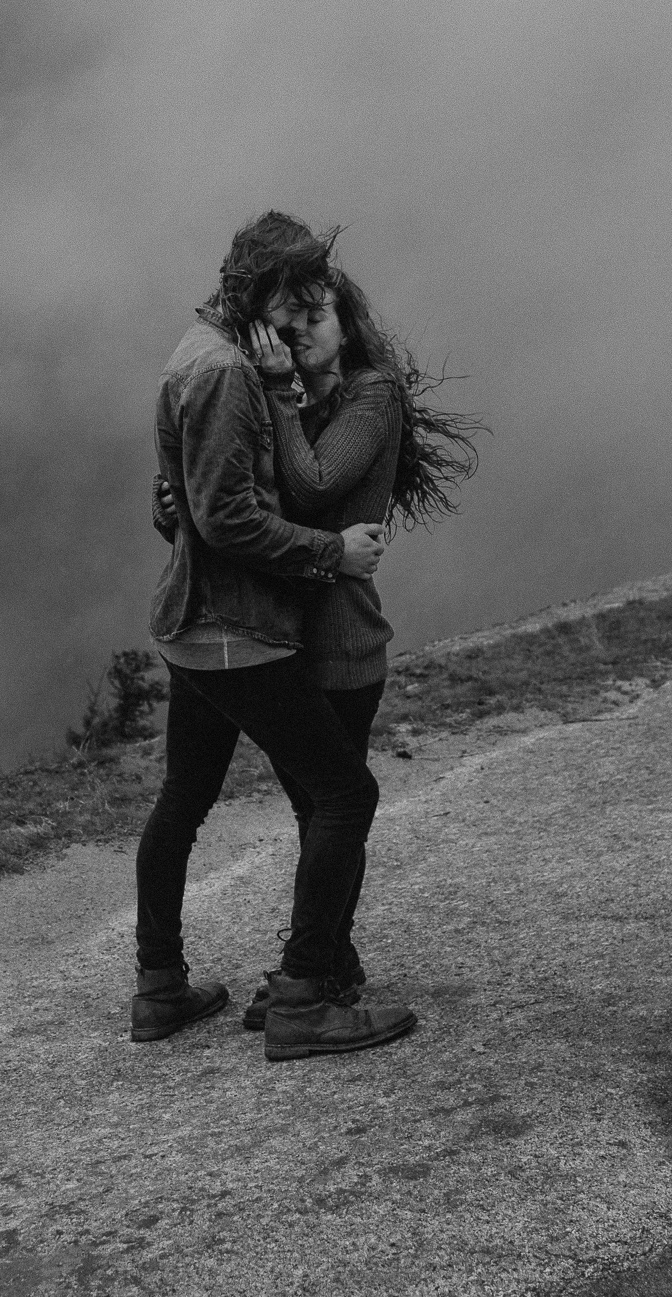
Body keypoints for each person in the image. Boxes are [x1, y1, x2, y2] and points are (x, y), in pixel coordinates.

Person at [156, 265, 480, 1030]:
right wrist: (186, 498)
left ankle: (312, 972)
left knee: (334, 804)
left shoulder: (371, 394)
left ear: (349, 321)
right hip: (296, 632)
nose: (300, 335)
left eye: (316, 319)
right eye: (289, 324)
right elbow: (244, 501)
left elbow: (308, 487)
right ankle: (328, 964)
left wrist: (272, 391)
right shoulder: (295, 402)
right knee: (320, 807)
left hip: (342, 637)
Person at [134, 211, 417, 1061]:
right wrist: (331, 550)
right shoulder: (228, 372)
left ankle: (164, 986)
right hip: (239, 628)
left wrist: (180, 509)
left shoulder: (199, 354)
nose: (301, 321)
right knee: (342, 797)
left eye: (316, 308)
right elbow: (232, 513)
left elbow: (212, 495)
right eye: (297, 301)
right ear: (266, 294)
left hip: (200, 623)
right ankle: (304, 994)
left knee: (190, 799)